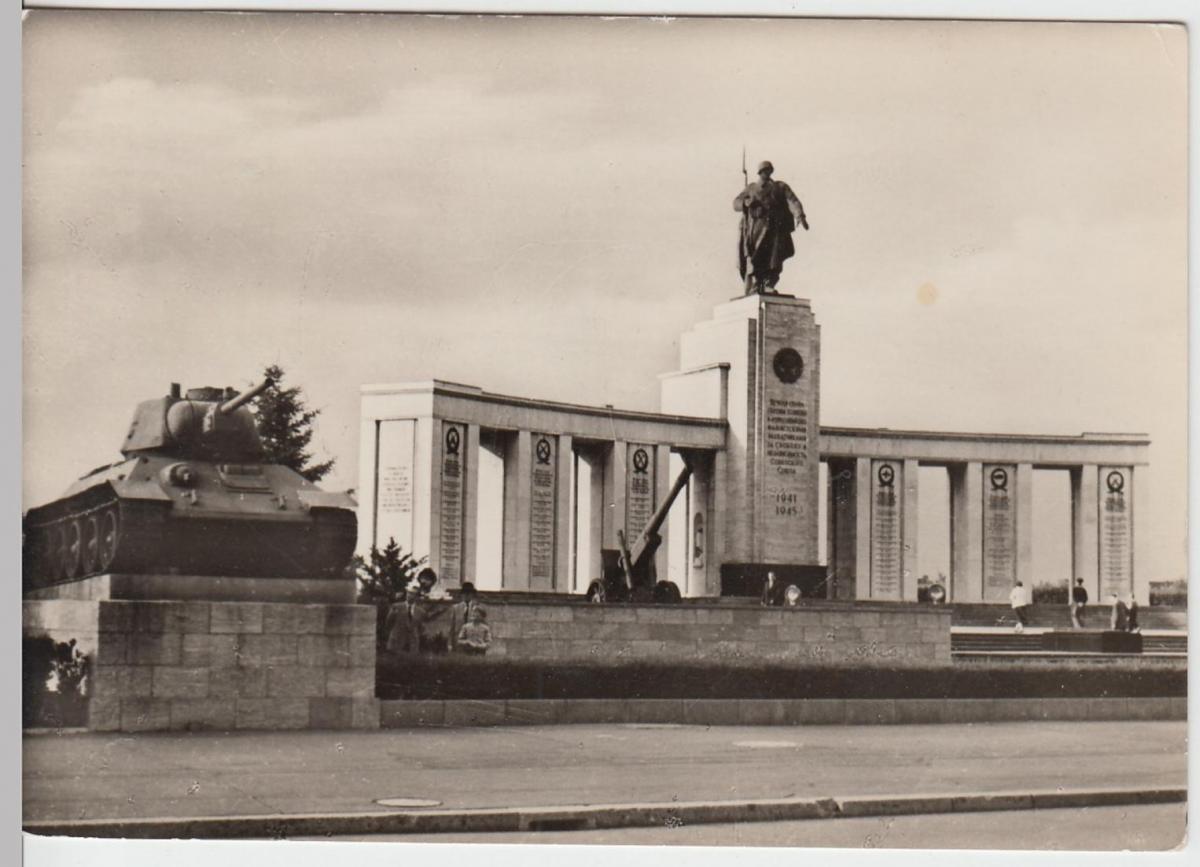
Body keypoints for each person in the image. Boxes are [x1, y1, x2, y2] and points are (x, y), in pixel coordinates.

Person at [733, 160, 809, 294]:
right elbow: (735, 203)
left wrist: (799, 215)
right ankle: (756, 285)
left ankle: (769, 283)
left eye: (768, 170)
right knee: (756, 258)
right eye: (763, 171)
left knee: (775, 260)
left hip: (775, 231)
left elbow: (792, 200)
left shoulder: (780, 187)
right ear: (760, 173)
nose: (766, 173)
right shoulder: (751, 188)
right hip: (756, 230)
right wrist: (746, 202)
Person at [448, 581, 479, 652]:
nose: (467, 595)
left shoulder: (477, 608)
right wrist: (449, 644)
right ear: (462, 595)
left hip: (473, 643)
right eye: (465, 593)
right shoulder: (455, 608)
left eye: (469, 593)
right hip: (458, 642)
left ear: (472, 595)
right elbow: (451, 628)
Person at [384, 587, 415, 654]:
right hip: (396, 640)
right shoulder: (396, 606)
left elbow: (420, 626)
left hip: (411, 644)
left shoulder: (420, 611)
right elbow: (388, 621)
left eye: (413, 594)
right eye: (409, 593)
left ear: (417, 596)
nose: (410, 595)